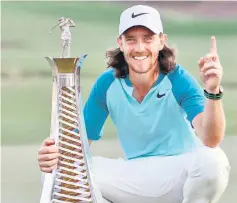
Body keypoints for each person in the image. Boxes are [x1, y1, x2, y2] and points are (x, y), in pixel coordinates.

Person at [38, 5, 230, 203]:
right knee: (58, 171)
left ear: (161, 42)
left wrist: (213, 91)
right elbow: (77, 147)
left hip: (179, 176)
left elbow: (211, 139)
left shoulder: (178, 79)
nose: (139, 48)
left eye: (148, 38)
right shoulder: (107, 84)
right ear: (120, 43)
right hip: (136, 177)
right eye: (131, 39)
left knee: (213, 162)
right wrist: (52, 156)